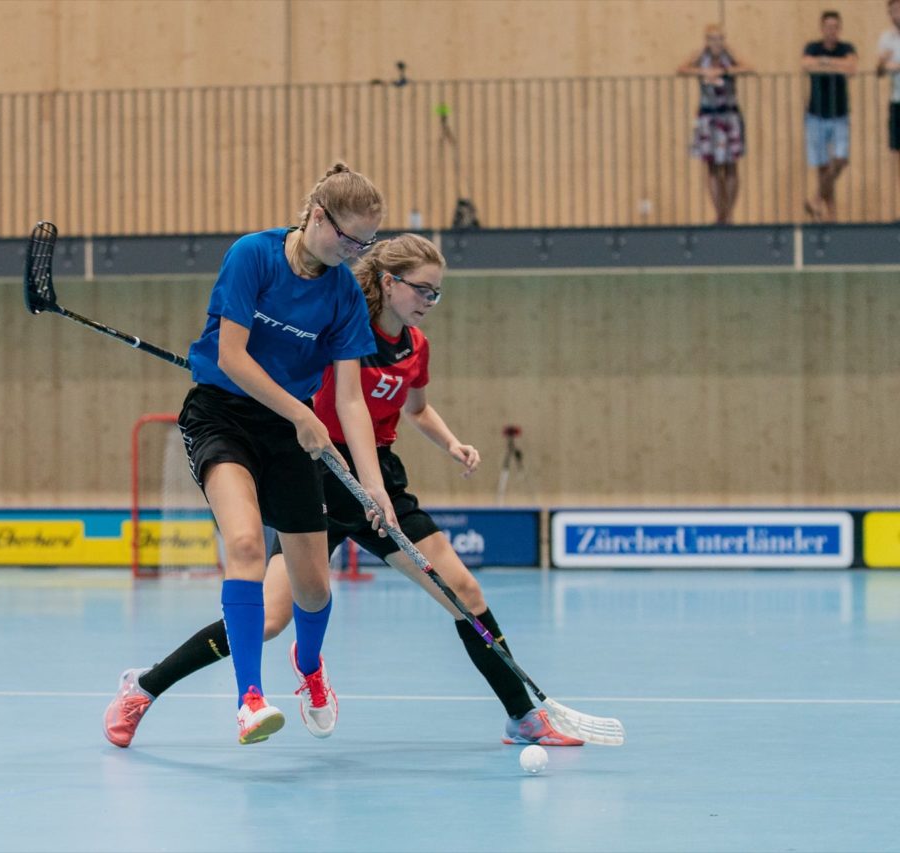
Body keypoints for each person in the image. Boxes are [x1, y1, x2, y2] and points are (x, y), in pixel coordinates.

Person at [104, 234, 585, 749]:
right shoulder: (335, 330)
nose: (429, 302)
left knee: (464, 593)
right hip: (318, 474)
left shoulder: (416, 347)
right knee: (267, 620)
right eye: (422, 290)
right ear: (388, 282)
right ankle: (146, 686)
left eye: (436, 294)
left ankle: (522, 717)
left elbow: (415, 408)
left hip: (380, 483)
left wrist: (451, 444)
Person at [137, 163, 397, 746]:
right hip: (222, 415)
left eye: (366, 243)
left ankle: (309, 669)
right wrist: (303, 412)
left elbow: (352, 400)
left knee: (312, 588)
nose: (354, 251)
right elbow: (231, 356)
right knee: (248, 543)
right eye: (347, 237)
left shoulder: (342, 294)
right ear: (315, 214)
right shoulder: (252, 256)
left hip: (287, 433)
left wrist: (374, 484)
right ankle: (249, 700)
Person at [678, 25, 754, 225]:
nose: (716, 43)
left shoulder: (730, 56)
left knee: (731, 165)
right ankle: (719, 213)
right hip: (708, 117)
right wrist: (704, 72)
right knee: (712, 166)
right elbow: (681, 69)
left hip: (729, 115)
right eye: (712, 39)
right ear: (706, 40)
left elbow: (749, 67)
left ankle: (728, 212)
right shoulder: (700, 56)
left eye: (720, 39)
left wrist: (725, 70)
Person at [802, 10, 859, 222]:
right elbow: (806, 64)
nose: (831, 31)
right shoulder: (812, 47)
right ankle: (829, 215)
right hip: (816, 114)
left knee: (841, 159)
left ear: (839, 29)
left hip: (839, 113)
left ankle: (816, 198)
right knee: (822, 166)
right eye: (828, 27)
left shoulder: (847, 48)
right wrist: (835, 64)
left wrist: (823, 64)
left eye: (835, 27)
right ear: (822, 28)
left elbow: (851, 68)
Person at [879, 0, 900, 198]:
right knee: (897, 153)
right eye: (894, 10)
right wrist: (883, 63)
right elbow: (881, 70)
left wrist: (894, 66)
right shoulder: (887, 38)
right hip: (896, 101)